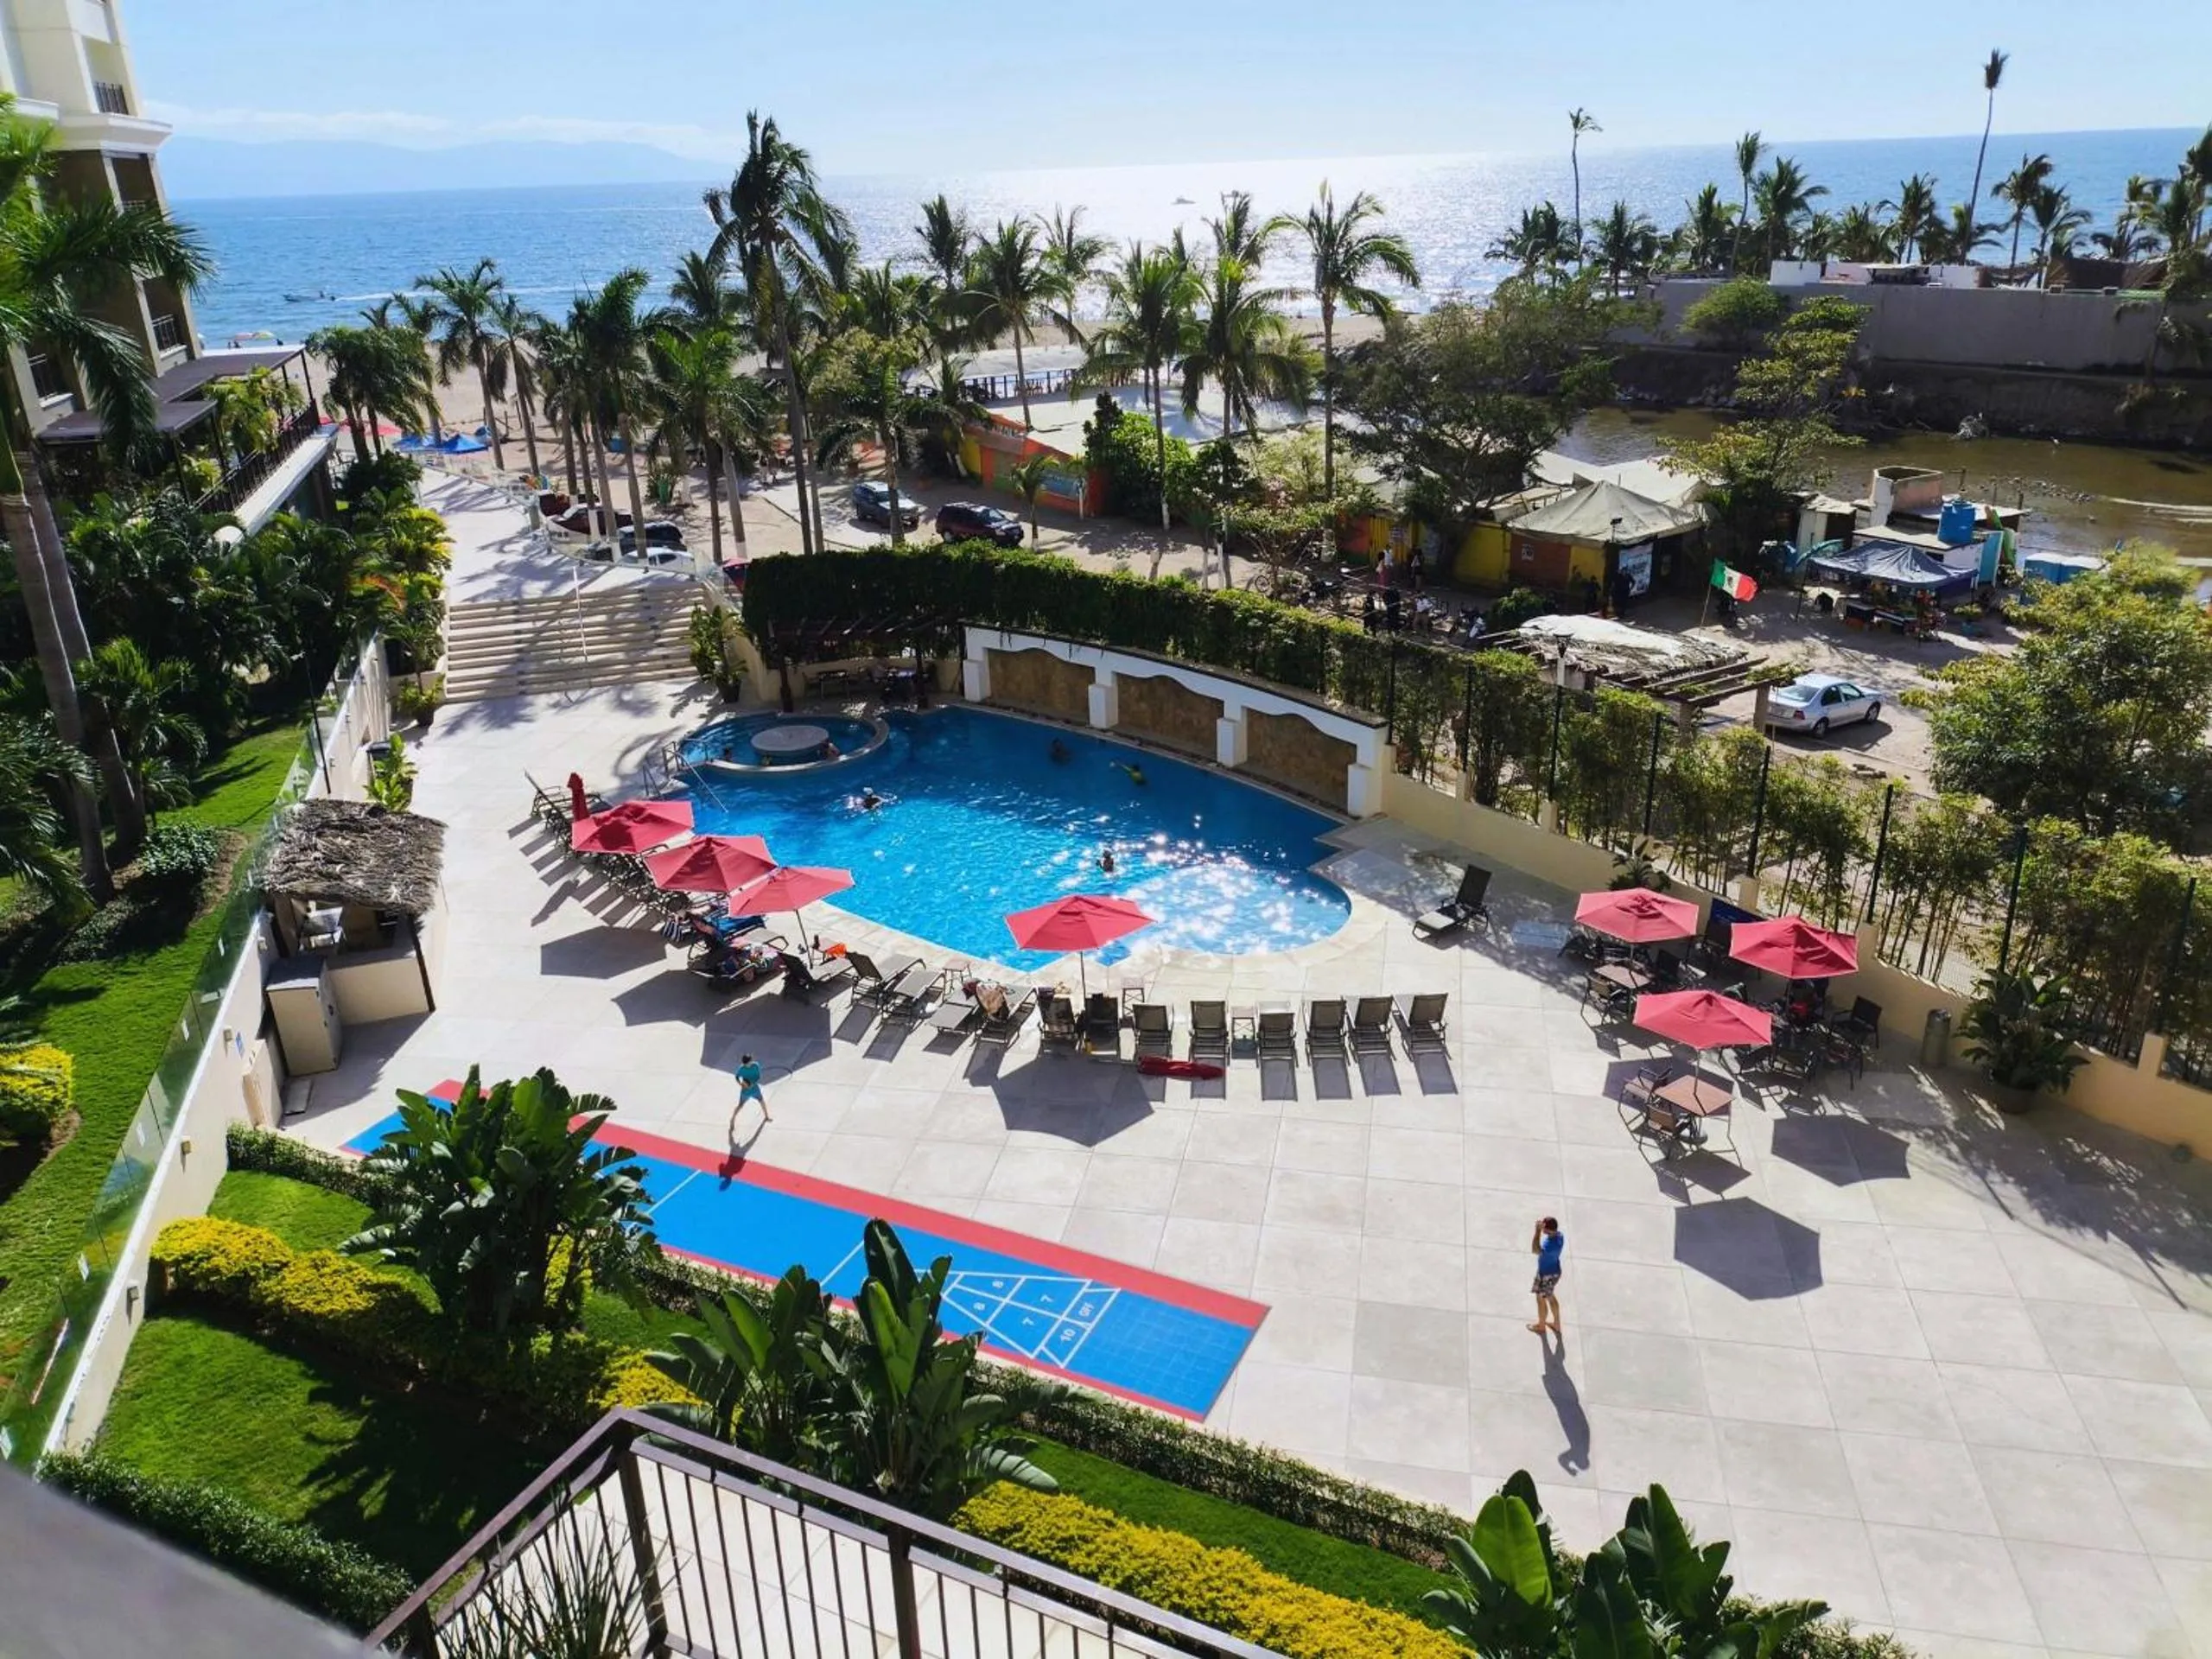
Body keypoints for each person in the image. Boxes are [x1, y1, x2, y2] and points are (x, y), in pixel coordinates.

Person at [1529, 1216, 1565, 1335]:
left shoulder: (1549, 1246)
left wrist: (1537, 1231)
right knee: (1550, 1296)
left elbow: (1535, 1250)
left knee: (1541, 1299)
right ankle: (1557, 1324)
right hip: (1555, 1272)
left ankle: (1541, 1325)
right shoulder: (1560, 1236)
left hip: (1545, 1275)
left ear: (1548, 1230)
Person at [734, 1052, 768, 1121]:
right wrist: (740, 1083)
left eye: (750, 1062)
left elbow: (758, 1076)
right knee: (740, 1105)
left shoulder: (756, 1066)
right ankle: (733, 1118)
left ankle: (767, 1117)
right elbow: (737, 1076)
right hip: (745, 1090)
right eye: (747, 1063)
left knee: (762, 1101)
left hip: (755, 1088)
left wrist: (753, 1083)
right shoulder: (741, 1068)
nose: (749, 1064)